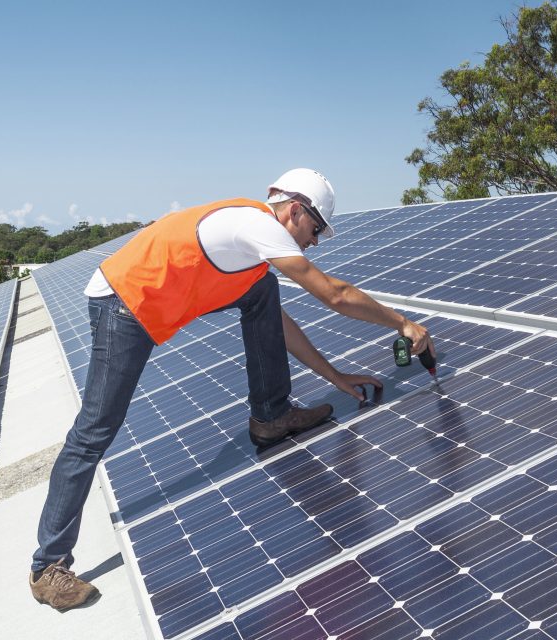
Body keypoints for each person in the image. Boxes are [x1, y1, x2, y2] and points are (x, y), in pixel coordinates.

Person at [29, 168, 435, 612]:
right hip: (124, 303)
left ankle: (271, 416)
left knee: (263, 292)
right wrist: (403, 323)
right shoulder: (257, 225)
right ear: (295, 210)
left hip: (154, 299)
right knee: (96, 429)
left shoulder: (253, 251)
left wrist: (335, 376)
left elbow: (279, 325)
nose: (315, 240)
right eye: (315, 229)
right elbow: (334, 295)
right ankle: (47, 566)